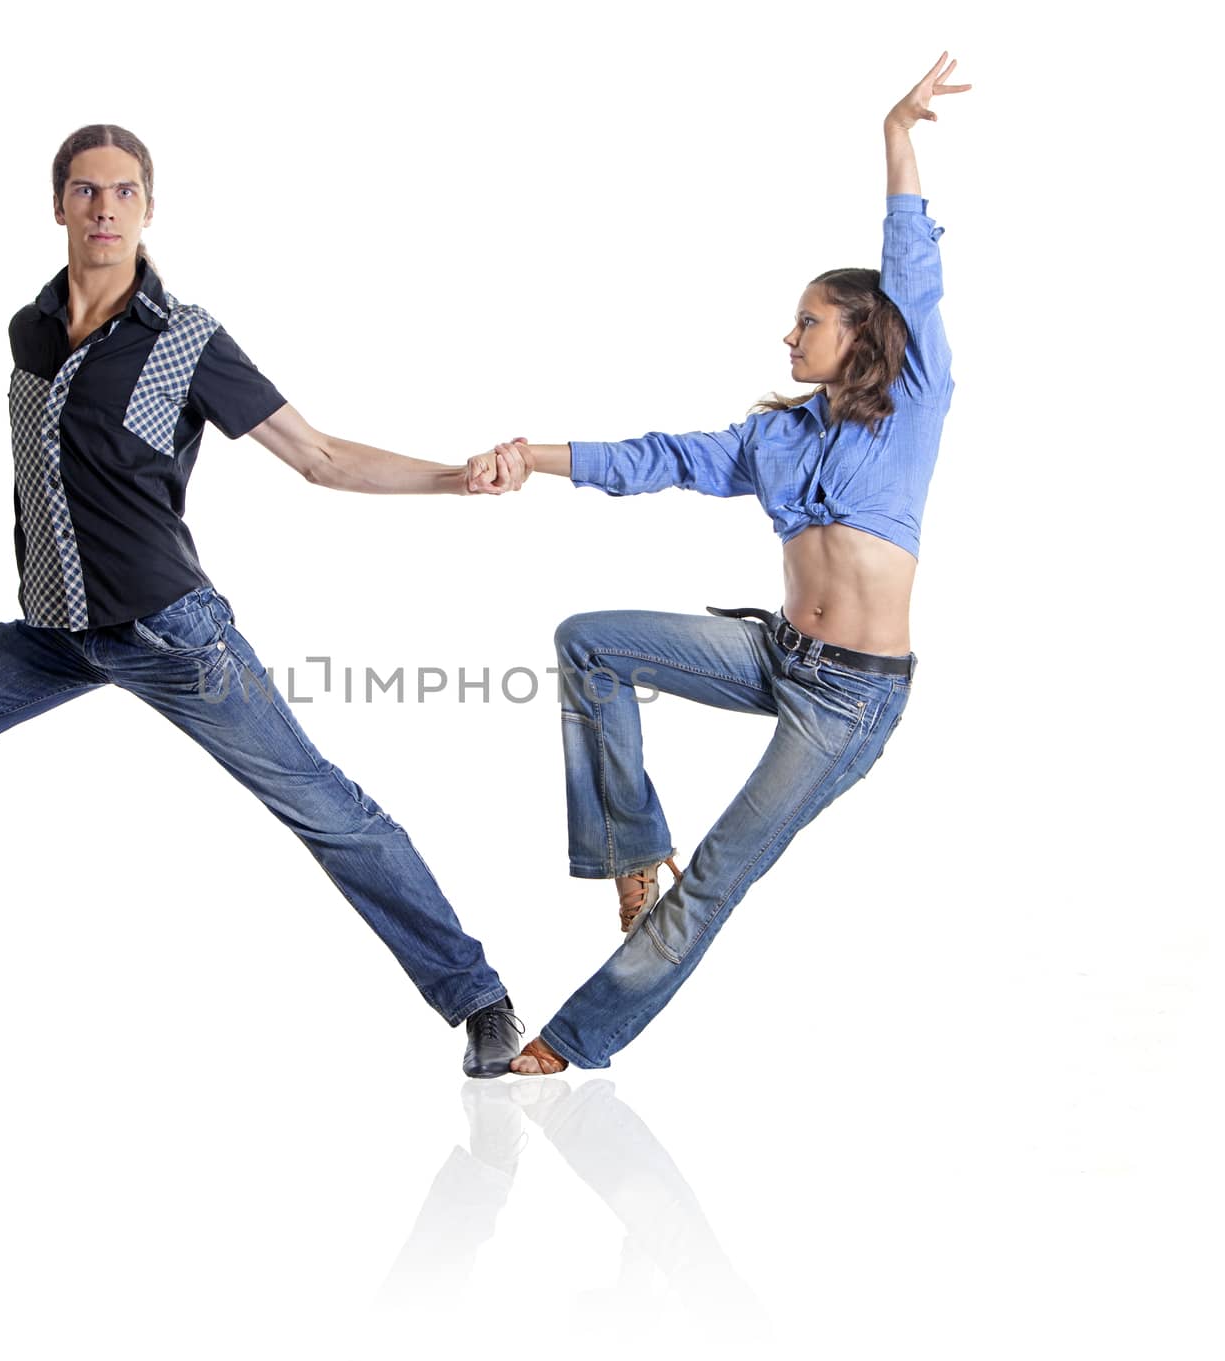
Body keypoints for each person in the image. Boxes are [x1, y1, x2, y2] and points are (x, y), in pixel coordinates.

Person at [0, 123, 528, 1077]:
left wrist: (454, 478)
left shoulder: (187, 340)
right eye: (87, 192)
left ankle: (479, 998)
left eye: (124, 192)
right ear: (58, 205)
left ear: (147, 209)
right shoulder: (30, 331)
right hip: (52, 632)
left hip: (171, 634)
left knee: (326, 807)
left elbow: (321, 457)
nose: (104, 210)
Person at [493, 55, 970, 1074]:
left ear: (863, 332)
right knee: (590, 643)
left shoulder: (913, 401)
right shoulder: (775, 440)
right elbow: (656, 458)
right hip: (776, 653)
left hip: (846, 704)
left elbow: (910, 266)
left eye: (809, 319)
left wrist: (897, 133)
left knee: (714, 876)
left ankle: (571, 1039)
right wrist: (535, 458)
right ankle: (628, 849)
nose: (789, 333)